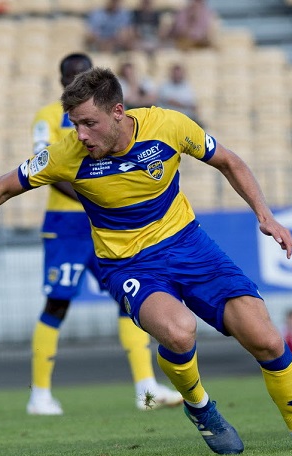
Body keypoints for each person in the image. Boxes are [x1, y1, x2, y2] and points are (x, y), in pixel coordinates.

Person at [0, 67, 292, 454]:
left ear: (118, 112)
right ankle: (200, 406)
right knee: (180, 332)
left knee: (268, 339)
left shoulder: (168, 125)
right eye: (74, 123)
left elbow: (229, 161)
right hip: (129, 265)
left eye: (89, 123)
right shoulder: (67, 154)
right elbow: (1, 188)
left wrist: (265, 215)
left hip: (190, 246)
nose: (81, 134)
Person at [27, 53, 182, 416]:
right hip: (67, 225)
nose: (75, 82)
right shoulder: (48, 119)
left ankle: (146, 389)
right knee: (57, 303)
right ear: (60, 80)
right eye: (70, 77)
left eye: (82, 76)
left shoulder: (108, 121)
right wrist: (92, 195)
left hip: (107, 224)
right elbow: (48, 172)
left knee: (131, 299)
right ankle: (40, 394)